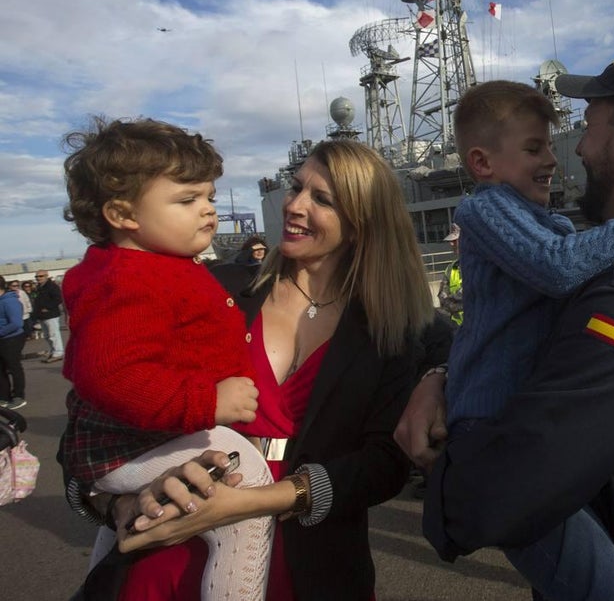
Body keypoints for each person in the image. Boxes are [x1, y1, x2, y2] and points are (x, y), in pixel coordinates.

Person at [399, 46, 614, 601]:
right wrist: (442, 377)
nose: (568, 151)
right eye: (537, 146)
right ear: (483, 162)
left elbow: (508, 491)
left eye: (587, 127)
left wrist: (448, 489)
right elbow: (530, 303)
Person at [84, 138, 454, 600]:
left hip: (315, 564)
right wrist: (115, 504)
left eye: (322, 199)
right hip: (173, 553)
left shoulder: (390, 331)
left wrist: (435, 374)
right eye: (296, 188)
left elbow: (382, 465)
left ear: (363, 222)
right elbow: (90, 420)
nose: (294, 206)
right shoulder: (214, 290)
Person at [57, 117, 273, 600]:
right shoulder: (128, 280)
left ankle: (102, 587)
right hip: (129, 438)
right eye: (187, 200)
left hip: (133, 436)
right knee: (246, 479)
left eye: (210, 198)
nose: (208, 211)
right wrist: (207, 401)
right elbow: (111, 374)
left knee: (128, 531)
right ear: (122, 213)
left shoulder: (153, 266)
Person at [0, 276, 28, 410]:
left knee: (13, 366)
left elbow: (16, 323)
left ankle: (18, 396)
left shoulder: (10, 301)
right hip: (2, 338)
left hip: (12, 339)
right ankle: (4, 397)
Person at [33, 270, 64, 363]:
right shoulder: (39, 287)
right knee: (47, 336)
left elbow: (59, 298)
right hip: (42, 315)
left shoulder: (52, 286)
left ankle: (58, 352)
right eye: (37, 277)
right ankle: (53, 350)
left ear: (46, 276)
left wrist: (48, 307)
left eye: (41, 276)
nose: (38, 278)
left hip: (51, 315)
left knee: (54, 335)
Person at [437, 224, 464, 326]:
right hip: (457, 329)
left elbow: (472, 295)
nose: (451, 244)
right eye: (450, 241)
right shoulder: (450, 268)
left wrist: (450, 303)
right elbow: (442, 298)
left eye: (455, 240)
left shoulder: (480, 265)